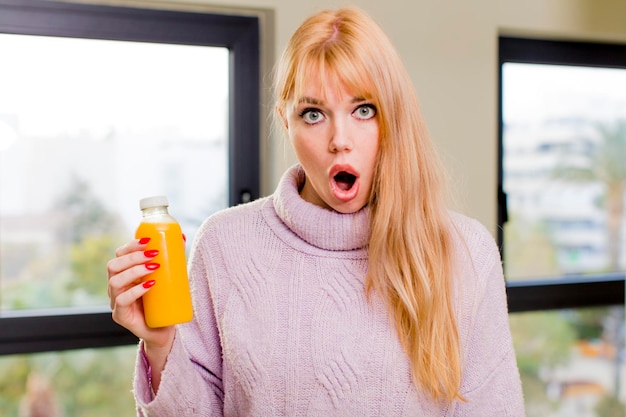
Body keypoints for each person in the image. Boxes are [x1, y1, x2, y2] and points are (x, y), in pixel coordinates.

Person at [107, 7, 525, 416]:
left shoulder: (466, 252)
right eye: (313, 114)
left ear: (394, 118)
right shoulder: (224, 245)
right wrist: (161, 344)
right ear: (285, 123)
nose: (340, 140)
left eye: (364, 110)